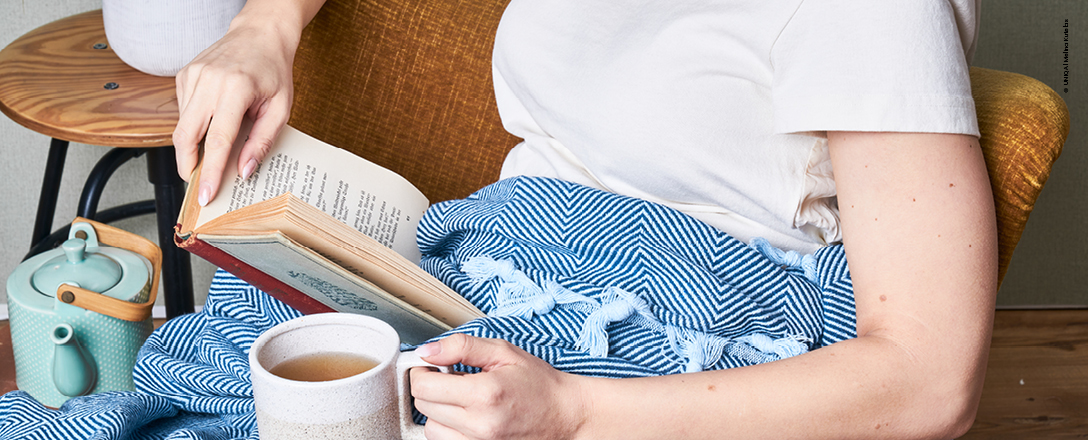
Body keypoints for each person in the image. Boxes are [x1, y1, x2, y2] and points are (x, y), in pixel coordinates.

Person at [174, 0, 996, 438]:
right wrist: (263, 28)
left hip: (660, 339)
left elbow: (931, 381)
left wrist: (575, 414)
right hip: (486, 260)